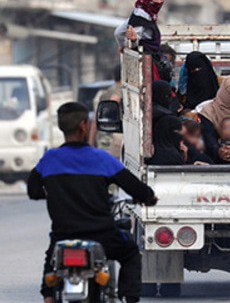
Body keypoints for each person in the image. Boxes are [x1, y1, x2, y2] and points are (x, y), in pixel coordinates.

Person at [28, 102, 158, 303]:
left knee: (51, 262)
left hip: (63, 236)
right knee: (131, 253)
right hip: (102, 236)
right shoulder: (101, 158)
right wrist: (149, 198)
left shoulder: (49, 160)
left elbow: (33, 191)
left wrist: (54, 193)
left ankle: (48, 297)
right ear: (83, 126)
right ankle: (130, 299)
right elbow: (137, 189)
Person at [114, 0, 170, 81]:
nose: (159, 1)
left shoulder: (141, 12)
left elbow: (118, 32)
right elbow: (134, 41)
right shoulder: (142, 17)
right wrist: (129, 44)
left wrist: (122, 46)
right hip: (149, 67)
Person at [90, 64, 123, 158]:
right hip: (114, 142)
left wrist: (91, 143)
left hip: (103, 142)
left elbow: (95, 121)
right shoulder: (122, 91)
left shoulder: (105, 93)